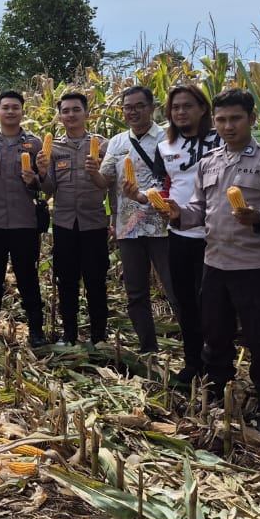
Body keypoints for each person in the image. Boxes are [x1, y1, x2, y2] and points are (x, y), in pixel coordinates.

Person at [164, 88, 260, 437]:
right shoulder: (208, 162)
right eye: (222, 120)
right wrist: (178, 214)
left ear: (252, 119)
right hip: (215, 264)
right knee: (215, 334)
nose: (228, 126)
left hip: (255, 267)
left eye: (236, 119)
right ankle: (217, 396)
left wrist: (259, 217)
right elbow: (200, 210)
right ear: (214, 121)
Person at [100, 85, 174, 354]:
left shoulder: (169, 138)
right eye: (127, 107)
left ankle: (195, 350)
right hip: (129, 227)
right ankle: (148, 349)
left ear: (152, 107)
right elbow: (104, 179)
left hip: (165, 226)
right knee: (136, 292)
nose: (133, 111)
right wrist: (89, 171)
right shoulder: (117, 142)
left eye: (139, 106)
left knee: (175, 289)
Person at [0, 90, 47, 347]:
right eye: (6, 107)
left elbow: (45, 182)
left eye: (15, 107)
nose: (10, 111)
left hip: (24, 221)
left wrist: (34, 180)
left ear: (22, 111)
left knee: (27, 275)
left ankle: (36, 328)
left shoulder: (35, 144)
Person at [157, 84, 220, 383]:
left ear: (203, 109)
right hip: (180, 235)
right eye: (175, 107)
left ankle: (218, 365)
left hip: (217, 236)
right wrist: (151, 199)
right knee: (185, 302)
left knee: (215, 305)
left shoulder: (222, 138)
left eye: (187, 106)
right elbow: (165, 183)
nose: (180, 112)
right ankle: (193, 362)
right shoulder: (166, 145)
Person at [36, 91, 111, 346]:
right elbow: (49, 190)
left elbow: (111, 184)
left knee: (96, 280)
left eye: (75, 110)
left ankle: (99, 336)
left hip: (95, 223)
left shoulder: (103, 145)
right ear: (59, 116)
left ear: (87, 113)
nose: (70, 115)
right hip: (64, 223)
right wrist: (43, 173)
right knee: (66, 281)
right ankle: (69, 334)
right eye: (65, 111)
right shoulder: (54, 148)